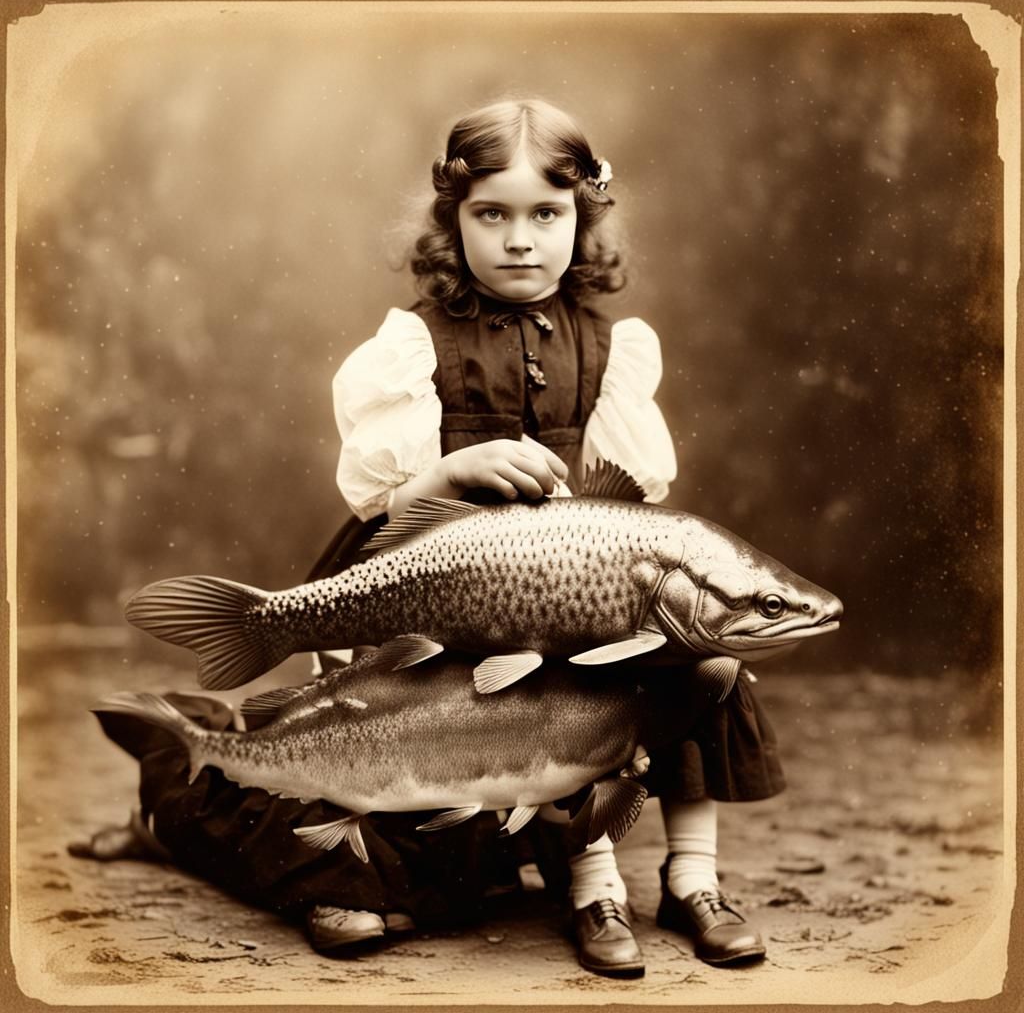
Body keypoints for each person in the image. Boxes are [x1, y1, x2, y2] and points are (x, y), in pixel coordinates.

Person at [74, 98, 783, 977]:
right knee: (367, 800)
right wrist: (446, 476)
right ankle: (179, 806)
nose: (520, 239)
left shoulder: (614, 350)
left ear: (583, 217)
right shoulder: (414, 343)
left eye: (546, 215)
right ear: (453, 220)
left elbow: (630, 499)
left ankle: (692, 879)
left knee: (696, 672)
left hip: (564, 603)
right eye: (493, 213)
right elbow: (382, 499)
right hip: (436, 582)